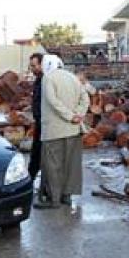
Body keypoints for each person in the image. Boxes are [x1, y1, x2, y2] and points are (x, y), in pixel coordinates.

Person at [35, 55, 90, 213]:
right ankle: (67, 196)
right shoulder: (72, 77)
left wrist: (70, 116)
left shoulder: (48, 78)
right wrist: (78, 115)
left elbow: (52, 101)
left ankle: (54, 200)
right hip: (73, 130)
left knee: (53, 166)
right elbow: (85, 98)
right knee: (71, 165)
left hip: (54, 131)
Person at [27, 53, 45, 198]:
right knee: (36, 154)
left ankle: (43, 186)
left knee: (41, 155)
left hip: (46, 123)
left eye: (34, 65)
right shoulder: (39, 80)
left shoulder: (46, 80)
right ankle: (30, 181)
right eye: (31, 66)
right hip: (39, 122)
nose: (32, 68)